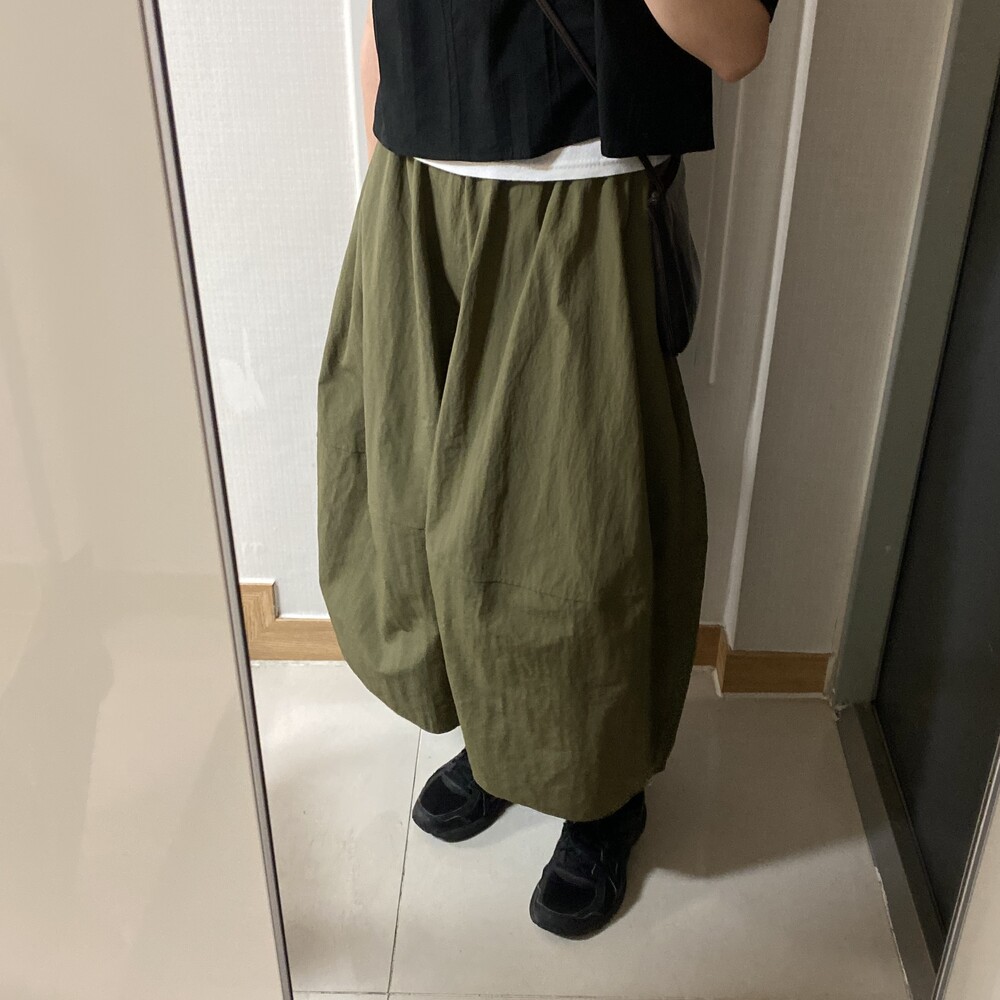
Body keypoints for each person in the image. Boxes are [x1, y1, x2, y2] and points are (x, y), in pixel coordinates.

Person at [317, 0, 777, 938]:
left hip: (579, 194)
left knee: (577, 531)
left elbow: (736, 42)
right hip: (417, 184)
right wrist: (385, 171)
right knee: (416, 504)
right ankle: (502, 735)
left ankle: (603, 791)